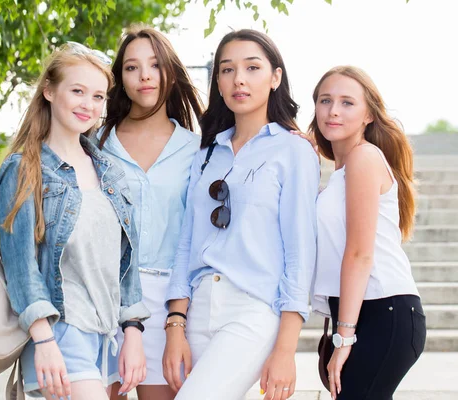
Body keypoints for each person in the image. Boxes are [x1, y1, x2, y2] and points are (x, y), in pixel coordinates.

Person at [0, 42, 150, 400]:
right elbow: (21, 267)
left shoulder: (110, 171)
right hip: (61, 332)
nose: (88, 105)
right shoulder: (24, 170)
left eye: (98, 96)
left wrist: (133, 332)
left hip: (107, 334)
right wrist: (43, 339)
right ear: (48, 90)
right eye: (77, 91)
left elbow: (127, 262)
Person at [163, 29, 320, 400]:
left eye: (252, 68)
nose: (239, 80)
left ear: (275, 77)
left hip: (253, 309)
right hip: (199, 307)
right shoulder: (206, 154)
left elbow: (301, 253)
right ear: (217, 81)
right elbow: (187, 240)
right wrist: (176, 325)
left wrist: (285, 348)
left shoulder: (294, 151)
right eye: (227, 70)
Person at [95, 26, 204, 400]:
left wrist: (178, 317)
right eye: (131, 67)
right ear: (119, 79)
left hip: (166, 300)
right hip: (103, 295)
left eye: (154, 65)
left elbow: (196, 238)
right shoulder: (95, 145)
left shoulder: (197, 149)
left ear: (170, 72)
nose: (144, 75)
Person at [310, 66, 425, 400]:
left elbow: (360, 253)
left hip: (383, 311)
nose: (333, 110)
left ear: (369, 114)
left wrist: (344, 337)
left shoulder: (364, 157)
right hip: (366, 313)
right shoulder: (341, 172)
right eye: (325, 100)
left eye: (347, 103)